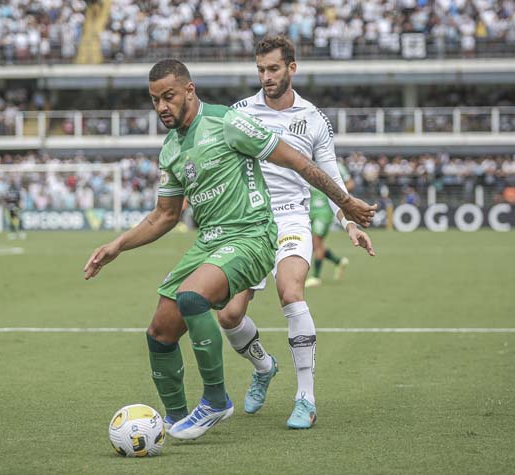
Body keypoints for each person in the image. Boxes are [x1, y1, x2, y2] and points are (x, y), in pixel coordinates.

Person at [84, 59, 376, 441]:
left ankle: (217, 400)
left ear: (190, 89)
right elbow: (165, 216)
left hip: (252, 235)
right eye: (154, 100)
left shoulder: (227, 122)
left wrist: (346, 203)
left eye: (168, 97)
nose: (161, 108)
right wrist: (117, 246)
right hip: (209, 242)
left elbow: (298, 161)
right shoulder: (171, 149)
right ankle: (171, 419)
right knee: (159, 331)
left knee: (194, 298)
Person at [219, 35, 375, 430]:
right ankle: (264, 367)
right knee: (229, 315)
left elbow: (331, 178)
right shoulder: (240, 113)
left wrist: (349, 222)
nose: (266, 76)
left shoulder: (314, 119)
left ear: (292, 67)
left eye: (273, 68)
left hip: (291, 218)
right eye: (260, 69)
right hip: (249, 221)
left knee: (291, 292)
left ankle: (305, 397)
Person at [304, 161, 356, 288]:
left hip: (324, 211)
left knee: (317, 242)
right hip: (309, 210)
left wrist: (333, 190)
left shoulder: (335, 165)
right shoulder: (305, 162)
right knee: (315, 244)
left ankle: (316, 277)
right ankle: (338, 261)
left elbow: (350, 184)